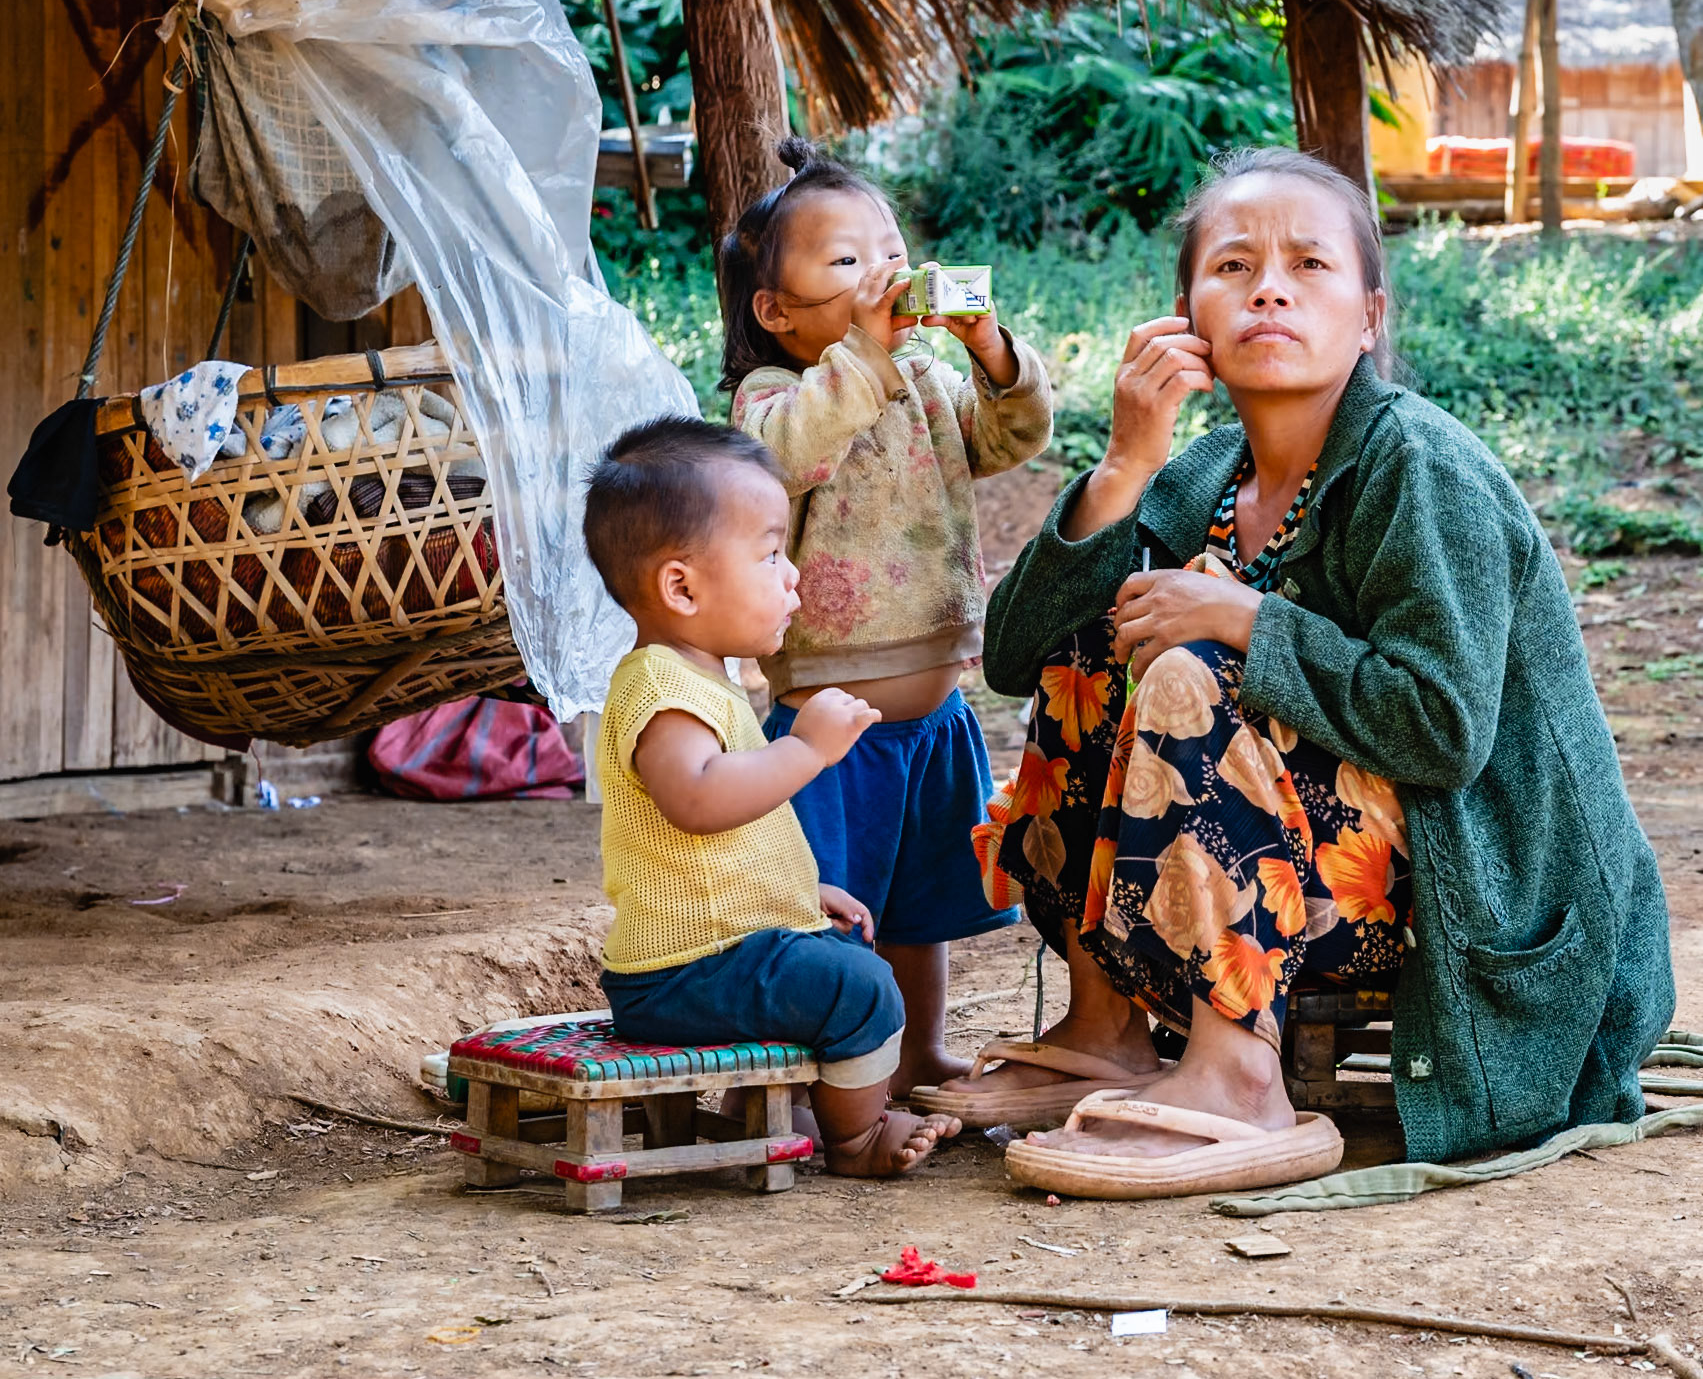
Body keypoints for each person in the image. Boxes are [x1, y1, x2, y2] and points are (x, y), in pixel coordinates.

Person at [919, 145, 1672, 1189]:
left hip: (1473, 898)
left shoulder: (1417, 465)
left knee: (1184, 661)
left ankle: (1238, 1077)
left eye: (1307, 265)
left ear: (1366, 315)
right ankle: (1106, 1030)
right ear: (1184, 317)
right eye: (1230, 266)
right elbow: (1013, 657)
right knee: (1097, 642)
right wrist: (1126, 461)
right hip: (1310, 880)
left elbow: (1441, 730)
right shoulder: (1200, 473)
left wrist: (1243, 618)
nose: (1267, 285)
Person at [718, 137, 1054, 1094]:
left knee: (919, 911)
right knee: (837, 906)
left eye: (893, 252)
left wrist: (991, 353)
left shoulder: (925, 384)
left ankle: (920, 1050)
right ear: (775, 310)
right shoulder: (776, 396)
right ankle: (838, 1070)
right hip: (831, 728)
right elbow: (784, 458)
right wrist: (864, 353)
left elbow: (1012, 437)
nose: (885, 275)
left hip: (935, 715)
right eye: (847, 261)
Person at [583, 415, 961, 1177]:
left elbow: (720, 835)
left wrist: (800, 887)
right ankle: (855, 1137)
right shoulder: (661, 685)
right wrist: (805, 749)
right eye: (769, 553)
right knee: (862, 985)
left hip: (710, 956)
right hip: (684, 971)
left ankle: (798, 1110)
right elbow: (696, 799)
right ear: (681, 586)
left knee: (839, 961)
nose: (791, 573)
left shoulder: (697, 680)